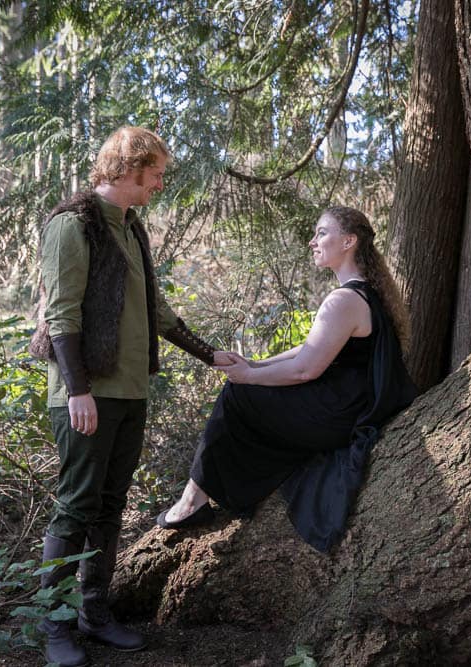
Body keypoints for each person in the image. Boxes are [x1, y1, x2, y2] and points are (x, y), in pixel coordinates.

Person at [29, 126, 237, 667]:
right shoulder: (72, 225)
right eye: (156, 174)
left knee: (110, 505)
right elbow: (61, 316)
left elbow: (156, 311)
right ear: (126, 168)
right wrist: (78, 391)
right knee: (76, 507)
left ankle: (94, 615)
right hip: (85, 394)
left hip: (130, 391)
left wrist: (210, 354)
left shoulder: (130, 228)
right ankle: (54, 627)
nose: (160, 184)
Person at [157, 205, 417, 552]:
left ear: (349, 241)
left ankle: (193, 502)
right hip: (349, 409)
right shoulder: (364, 295)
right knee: (247, 387)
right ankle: (209, 493)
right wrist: (256, 365)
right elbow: (307, 348)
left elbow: (305, 369)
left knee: (238, 395)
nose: (312, 241)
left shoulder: (343, 301)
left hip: (339, 416)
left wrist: (248, 377)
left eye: (322, 232)